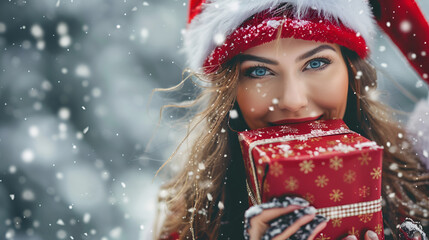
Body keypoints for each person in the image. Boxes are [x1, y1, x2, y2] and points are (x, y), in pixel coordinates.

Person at [153, 0, 429, 239]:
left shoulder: (421, 178)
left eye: (316, 63)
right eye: (260, 71)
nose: (292, 100)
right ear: (230, 89)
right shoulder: (190, 220)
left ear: (350, 70)